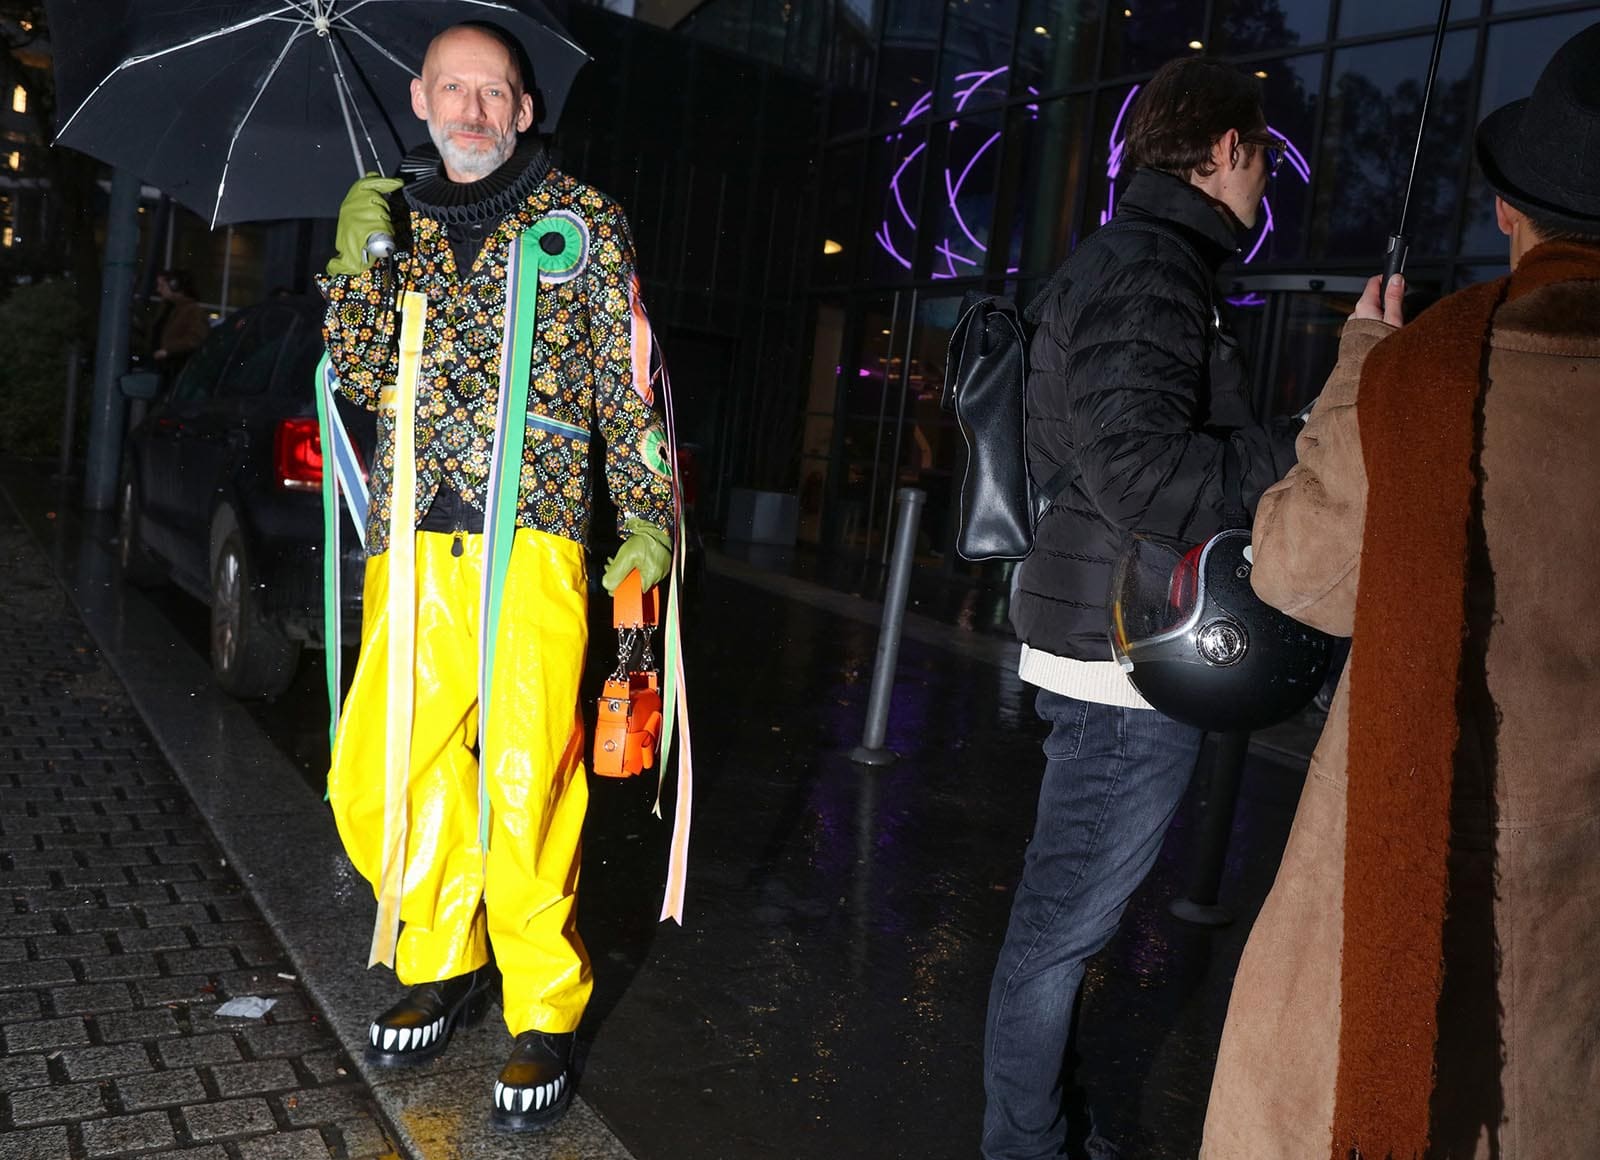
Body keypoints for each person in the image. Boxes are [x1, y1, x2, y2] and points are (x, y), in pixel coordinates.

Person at [1200, 22, 1600, 1160]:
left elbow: (1299, 572)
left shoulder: (1431, 372)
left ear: (1508, 213)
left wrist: (1360, 367)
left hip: (1387, 915)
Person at [318, 22, 675, 1132]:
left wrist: (651, 521)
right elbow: (366, 380)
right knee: (383, 776)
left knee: (526, 784)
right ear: (420, 98)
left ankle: (543, 1008)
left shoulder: (585, 224)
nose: (473, 110)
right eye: (454, 89)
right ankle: (439, 948)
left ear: (524, 111)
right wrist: (356, 262)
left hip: (537, 543)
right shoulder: (394, 222)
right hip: (411, 546)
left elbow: (630, 391)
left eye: (496, 93)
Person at [986, 58, 1303, 1159]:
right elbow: (1143, 477)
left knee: (1059, 924)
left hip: (1100, 637)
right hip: (1119, 658)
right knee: (1057, 934)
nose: (1265, 178)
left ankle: (1039, 1130)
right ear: (1219, 151)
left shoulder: (1139, 262)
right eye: (1258, 155)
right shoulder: (1151, 272)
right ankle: (1023, 1144)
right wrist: (1302, 442)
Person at [149, 269, 209, 376]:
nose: (158, 289)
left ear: (174, 286)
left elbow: (196, 339)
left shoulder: (193, 310)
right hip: (162, 367)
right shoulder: (167, 308)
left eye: (162, 286)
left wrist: (169, 351)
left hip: (177, 369)